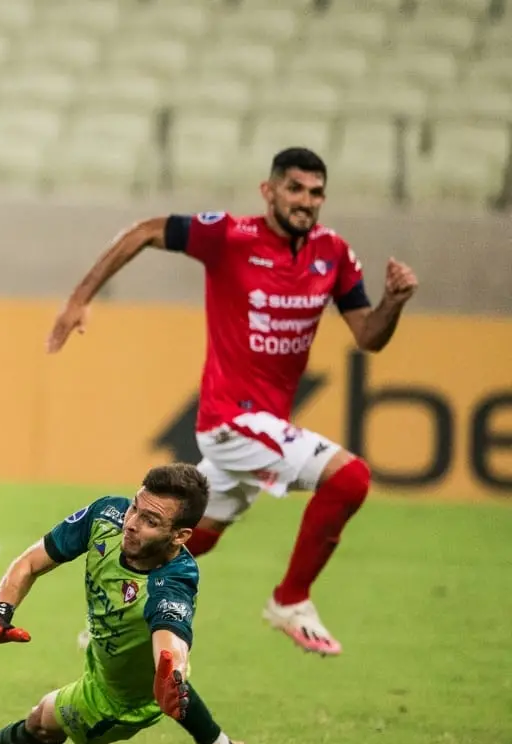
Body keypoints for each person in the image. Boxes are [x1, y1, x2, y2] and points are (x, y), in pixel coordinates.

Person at [46, 148, 420, 656]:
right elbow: (143, 231)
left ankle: (118, 613)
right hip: (230, 418)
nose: (305, 201)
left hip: (263, 422)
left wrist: (393, 303)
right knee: (350, 477)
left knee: (195, 535)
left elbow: (369, 336)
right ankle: (290, 600)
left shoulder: (333, 253)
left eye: (315, 193)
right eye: (294, 189)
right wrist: (79, 297)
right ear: (269, 191)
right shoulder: (229, 236)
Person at [0, 463, 248, 744]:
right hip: (111, 654)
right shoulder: (107, 515)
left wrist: (170, 671)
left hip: (121, 698)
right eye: (136, 507)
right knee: (161, 676)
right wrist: (0, 610)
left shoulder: (173, 580)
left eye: (150, 521)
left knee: (42, 718)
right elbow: (29, 563)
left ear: (180, 536)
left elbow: (169, 638)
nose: (131, 524)